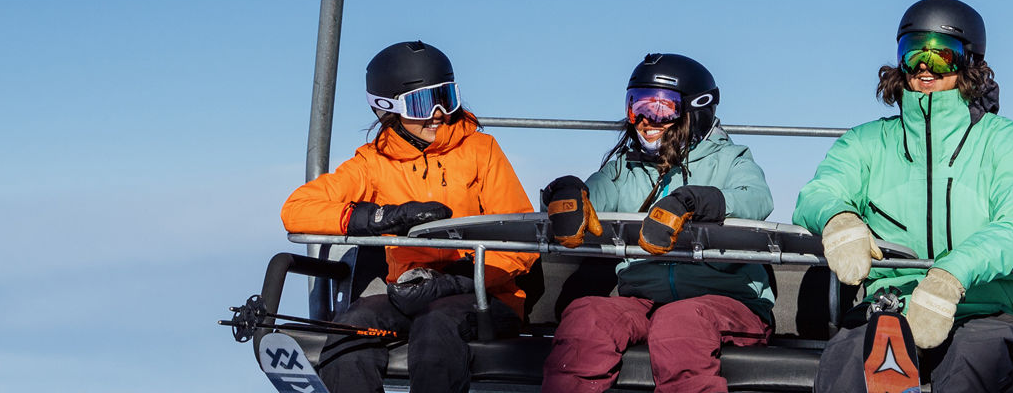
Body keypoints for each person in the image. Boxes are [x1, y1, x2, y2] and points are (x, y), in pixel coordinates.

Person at [796, 0, 1013, 393]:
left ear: (970, 62)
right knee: (847, 362)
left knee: (970, 361)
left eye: (942, 56)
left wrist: (951, 277)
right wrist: (837, 219)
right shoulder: (868, 142)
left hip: (986, 309)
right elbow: (820, 191)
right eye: (912, 54)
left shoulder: (1008, 142)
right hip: (891, 306)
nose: (925, 67)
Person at [281, 40, 538, 393]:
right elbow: (297, 209)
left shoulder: (480, 150)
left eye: (446, 98)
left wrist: (462, 278)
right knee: (351, 332)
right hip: (408, 293)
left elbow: (521, 235)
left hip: (484, 295)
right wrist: (382, 218)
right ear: (387, 108)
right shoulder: (373, 164)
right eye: (421, 104)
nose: (437, 113)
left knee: (436, 328)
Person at [540, 53, 777, 393]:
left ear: (694, 111)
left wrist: (696, 200)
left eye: (660, 108)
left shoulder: (730, 158)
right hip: (644, 298)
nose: (645, 120)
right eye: (635, 105)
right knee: (587, 315)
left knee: (679, 322)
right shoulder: (625, 167)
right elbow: (595, 195)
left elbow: (755, 198)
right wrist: (568, 192)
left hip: (725, 299)